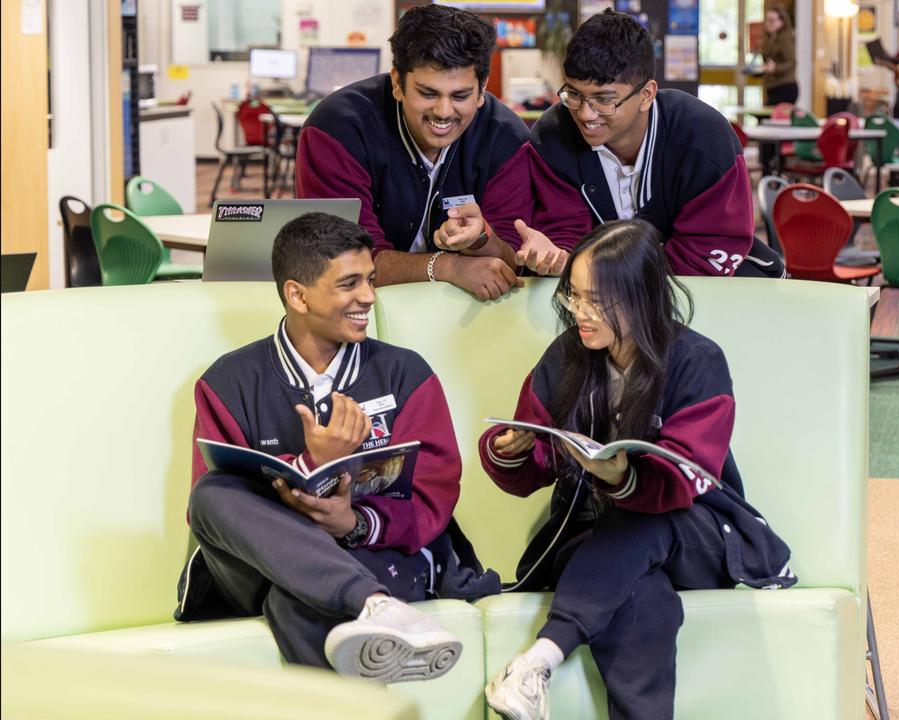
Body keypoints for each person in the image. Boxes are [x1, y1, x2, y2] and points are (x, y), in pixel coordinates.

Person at [477, 220, 797, 720]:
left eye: (597, 301)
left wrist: (621, 479)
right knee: (644, 599)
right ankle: (534, 677)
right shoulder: (567, 355)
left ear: (642, 296)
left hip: (694, 536)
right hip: (595, 541)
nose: (581, 313)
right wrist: (512, 450)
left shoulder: (697, 360)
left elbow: (688, 478)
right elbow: (535, 463)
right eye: (575, 296)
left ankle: (540, 658)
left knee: (645, 518)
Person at [177, 213, 498, 681]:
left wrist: (354, 523)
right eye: (349, 284)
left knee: (294, 598)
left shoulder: (405, 374)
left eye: (369, 280)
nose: (368, 296)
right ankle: (373, 604)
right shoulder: (227, 382)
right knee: (210, 495)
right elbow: (215, 516)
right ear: (297, 294)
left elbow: (434, 497)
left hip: (376, 554)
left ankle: (363, 605)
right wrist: (311, 464)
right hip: (264, 564)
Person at [484, 10, 782, 278]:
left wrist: (593, 270)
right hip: (601, 303)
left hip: (717, 289)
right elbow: (567, 239)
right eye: (574, 94)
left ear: (647, 94)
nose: (586, 115)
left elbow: (705, 254)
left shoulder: (703, 138)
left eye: (604, 100)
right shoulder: (553, 137)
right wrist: (557, 258)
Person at [296, 5, 530, 299]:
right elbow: (342, 261)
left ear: (482, 89)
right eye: (428, 93)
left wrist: (482, 239)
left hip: (462, 314)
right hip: (356, 309)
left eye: (460, 96)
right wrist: (447, 267)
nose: (444, 112)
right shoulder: (336, 130)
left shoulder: (507, 138)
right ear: (397, 82)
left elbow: (516, 262)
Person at [761, 7, 798, 106]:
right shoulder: (770, 39)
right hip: (773, 87)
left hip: (785, 88)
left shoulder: (785, 39)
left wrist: (775, 67)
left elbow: (792, 62)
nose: (768, 23)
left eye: (772, 20)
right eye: (767, 20)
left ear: (782, 22)